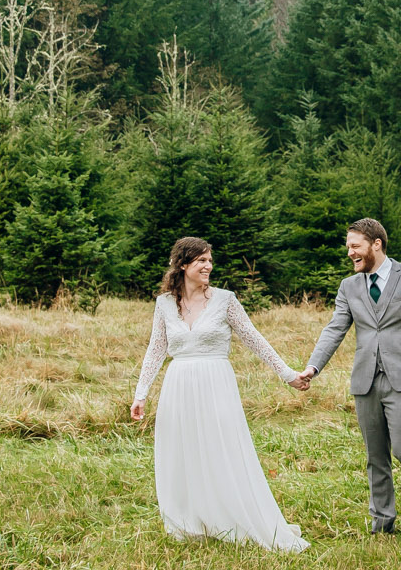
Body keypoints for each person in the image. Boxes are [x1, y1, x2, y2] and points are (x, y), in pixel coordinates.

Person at [131, 236, 308, 551]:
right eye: (201, 261)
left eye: (210, 261)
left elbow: (254, 339)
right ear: (183, 264)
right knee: (183, 452)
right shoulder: (164, 304)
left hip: (216, 383)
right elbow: (155, 350)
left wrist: (287, 375)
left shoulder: (225, 300)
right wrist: (141, 393)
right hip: (179, 385)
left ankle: (233, 515)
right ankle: (191, 520)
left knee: (221, 447)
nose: (208, 266)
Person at [293, 218, 401, 533]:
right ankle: (382, 523)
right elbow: (335, 328)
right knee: (375, 455)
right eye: (348, 247)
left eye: (355, 246)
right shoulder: (349, 286)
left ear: (375, 244)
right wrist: (312, 367)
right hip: (365, 381)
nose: (350, 253)